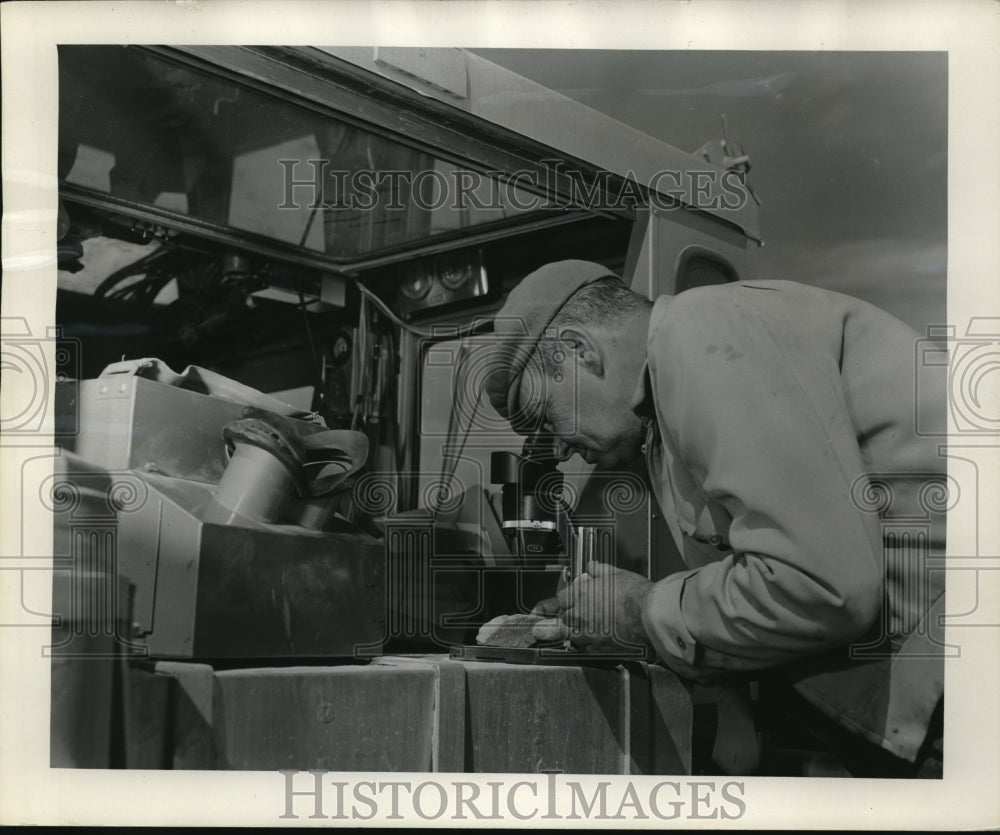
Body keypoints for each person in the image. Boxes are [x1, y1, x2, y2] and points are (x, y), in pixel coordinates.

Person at [483, 259, 946, 777]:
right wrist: (630, 625)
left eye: (548, 418)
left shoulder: (701, 331)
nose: (562, 450)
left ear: (580, 351)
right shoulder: (664, 426)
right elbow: (760, 581)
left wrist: (638, 611)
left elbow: (821, 586)